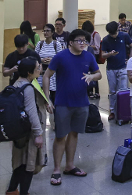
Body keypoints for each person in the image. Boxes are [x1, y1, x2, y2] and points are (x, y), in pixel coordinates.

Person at [42, 28, 101, 186]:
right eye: (79, 40)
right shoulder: (61, 57)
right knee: (60, 136)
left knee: (74, 134)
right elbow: (46, 76)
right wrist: (47, 99)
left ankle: (69, 165)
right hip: (63, 103)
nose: (82, 43)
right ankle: (56, 169)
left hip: (82, 103)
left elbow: (99, 74)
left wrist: (92, 76)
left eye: (84, 41)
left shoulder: (88, 56)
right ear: (70, 42)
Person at [7, 56, 51, 195]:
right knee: (29, 164)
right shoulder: (28, 88)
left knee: (20, 162)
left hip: (18, 132)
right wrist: (38, 134)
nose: (40, 69)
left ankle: (12, 190)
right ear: (29, 72)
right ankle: (23, 192)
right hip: (29, 133)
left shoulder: (16, 83)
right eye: (37, 67)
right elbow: (32, 112)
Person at [102, 21, 132, 121]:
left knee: (123, 90)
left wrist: (130, 59)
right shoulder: (106, 40)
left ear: (118, 29)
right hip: (111, 69)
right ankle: (112, 111)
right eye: (111, 34)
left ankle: (123, 110)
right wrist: (110, 54)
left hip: (123, 67)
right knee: (112, 91)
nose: (114, 36)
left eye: (115, 33)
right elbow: (103, 55)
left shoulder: (124, 36)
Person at [35, 23, 63, 106]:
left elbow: (60, 58)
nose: (45, 33)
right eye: (44, 31)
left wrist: (52, 60)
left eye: (48, 31)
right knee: (40, 96)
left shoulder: (56, 44)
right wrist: (41, 60)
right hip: (41, 72)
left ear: (52, 32)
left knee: (53, 95)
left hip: (53, 73)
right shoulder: (40, 44)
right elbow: (35, 57)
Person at [82, 20, 101, 99]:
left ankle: (96, 91)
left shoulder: (95, 34)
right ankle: (89, 91)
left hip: (94, 54)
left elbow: (97, 46)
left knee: (94, 72)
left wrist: (88, 45)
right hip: (87, 53)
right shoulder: (85, 35)